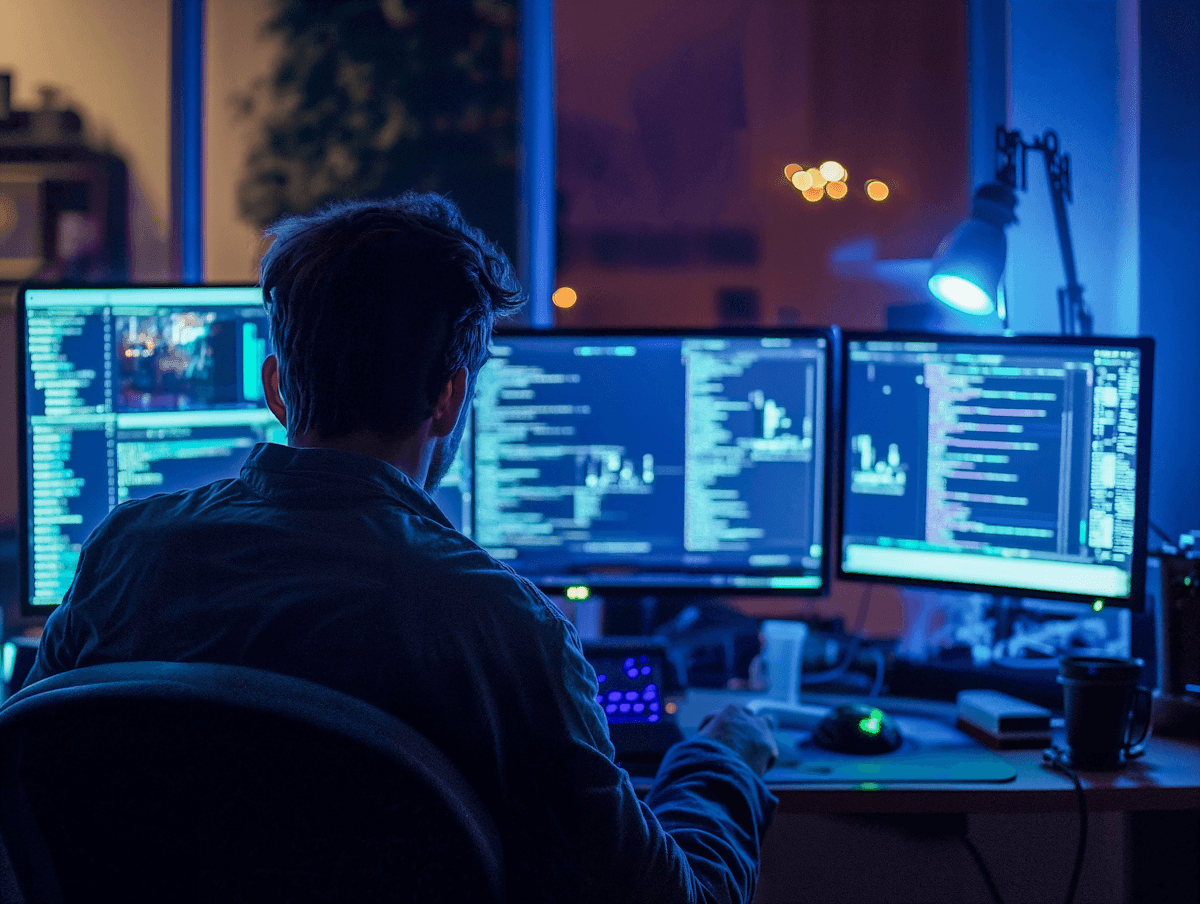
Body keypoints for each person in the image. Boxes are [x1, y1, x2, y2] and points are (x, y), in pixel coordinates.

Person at [27, 193, 778, 903]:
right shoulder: (498, 623)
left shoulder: (124, 554)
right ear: (449, 397)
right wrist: (723, 760)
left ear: (277, 388)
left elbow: (26, 786)